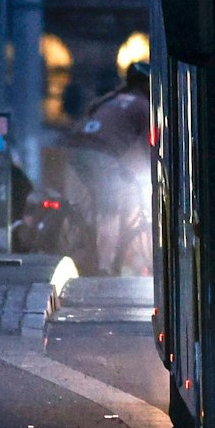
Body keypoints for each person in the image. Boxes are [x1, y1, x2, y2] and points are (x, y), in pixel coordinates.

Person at [62, 61, 152, 275]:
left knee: (101, 198)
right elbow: (150, 145)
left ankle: (88, 231)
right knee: (110, 211)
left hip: (77, 149)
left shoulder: (112, 98)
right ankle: (104, 267)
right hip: (101, 155)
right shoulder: (142, 105)